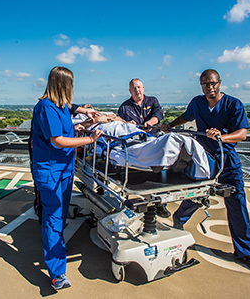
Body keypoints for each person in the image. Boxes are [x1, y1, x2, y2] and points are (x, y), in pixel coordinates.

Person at [160, 69, 250, 274]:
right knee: (195, 194)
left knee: (237, 204)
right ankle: (178, 220)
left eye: (213, 83)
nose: (210, 88)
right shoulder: (197, 103)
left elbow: (242, 134)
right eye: (205, 84)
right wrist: (170, 125)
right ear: (201, 86)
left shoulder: (234, 104)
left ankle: (244, 252)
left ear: (220, 83)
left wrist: (220, 137)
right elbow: (185, 116)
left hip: (227, 161)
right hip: (204, 159)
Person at [31, 66, 102, 290]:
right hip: (50, 171)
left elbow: (70, 112)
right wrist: (89, 140)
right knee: (53, 217)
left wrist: (84, 118)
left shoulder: (61, 106)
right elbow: (58, 140)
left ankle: (56, 247)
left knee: (59, 215)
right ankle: (57, 273)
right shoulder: (46, 107)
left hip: (63, 169)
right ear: (63, 85)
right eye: (70, 84)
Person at [118, 78, 170, 218]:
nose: (137, 90)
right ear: (130, 91)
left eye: (139, 87)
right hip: (136, 145)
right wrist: (128, 124)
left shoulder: (152, 101)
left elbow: (158, 115)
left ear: (143, 88)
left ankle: (160, 204)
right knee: (137, 177)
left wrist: (150, 122)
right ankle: (134, 202)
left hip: (153, 142)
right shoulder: (124, 107)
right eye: (134, 88)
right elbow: (119, 125)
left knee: (159, 175)